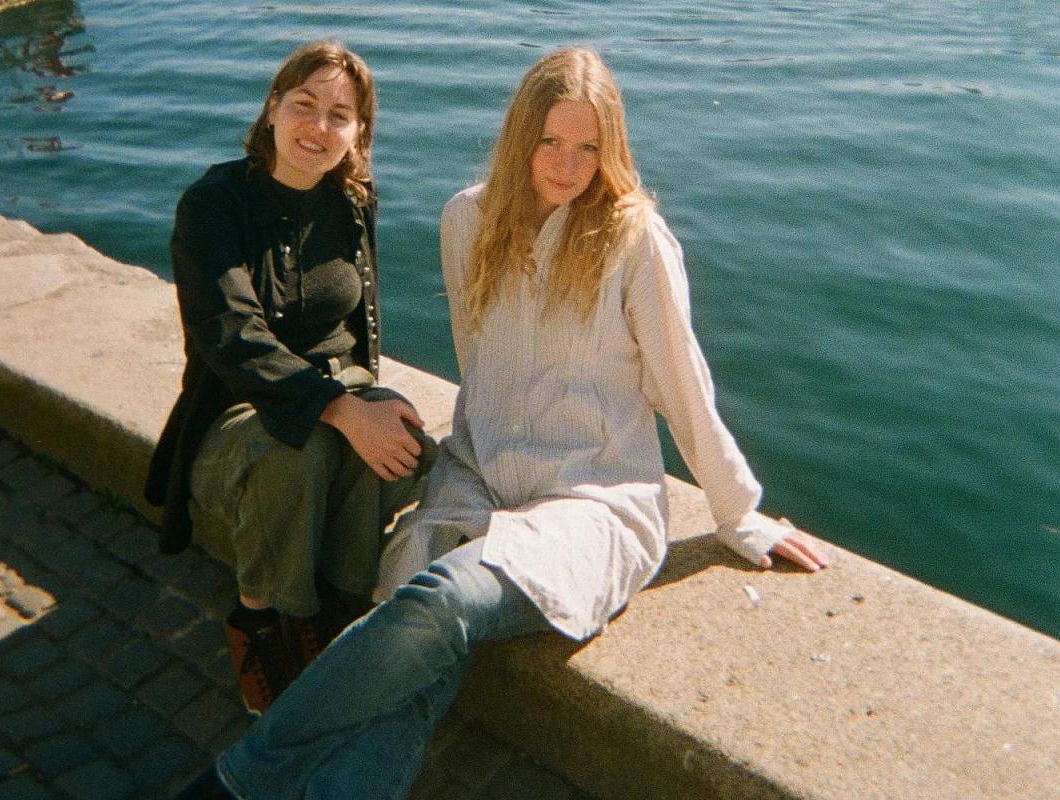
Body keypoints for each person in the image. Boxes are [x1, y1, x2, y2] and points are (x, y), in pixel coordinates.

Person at [172, 46, 827, 800]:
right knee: (408, 671)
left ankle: (239, 779)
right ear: (521, 136)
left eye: (588, 148)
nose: (567, 166)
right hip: (477, 477)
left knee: (439, 601)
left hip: (593, 499)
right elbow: (478, 363)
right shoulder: (468, 218)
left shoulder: (635, 241)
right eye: (550, 141)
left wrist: (738, 512)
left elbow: (685, 388)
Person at [143, 40, 436, 716]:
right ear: (273, 107)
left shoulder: (352, 200)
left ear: (359, 132)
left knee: (403, 443)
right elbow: (232, 334)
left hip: (336, 391)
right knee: (294, 452)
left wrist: (368, 405)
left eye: (340, 115)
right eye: (304, 104)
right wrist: (340, 410)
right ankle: (259, 619)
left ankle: (334, 605)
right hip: (235, 411)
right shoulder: (213, 204)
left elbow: (359, 330)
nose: (319, 127)